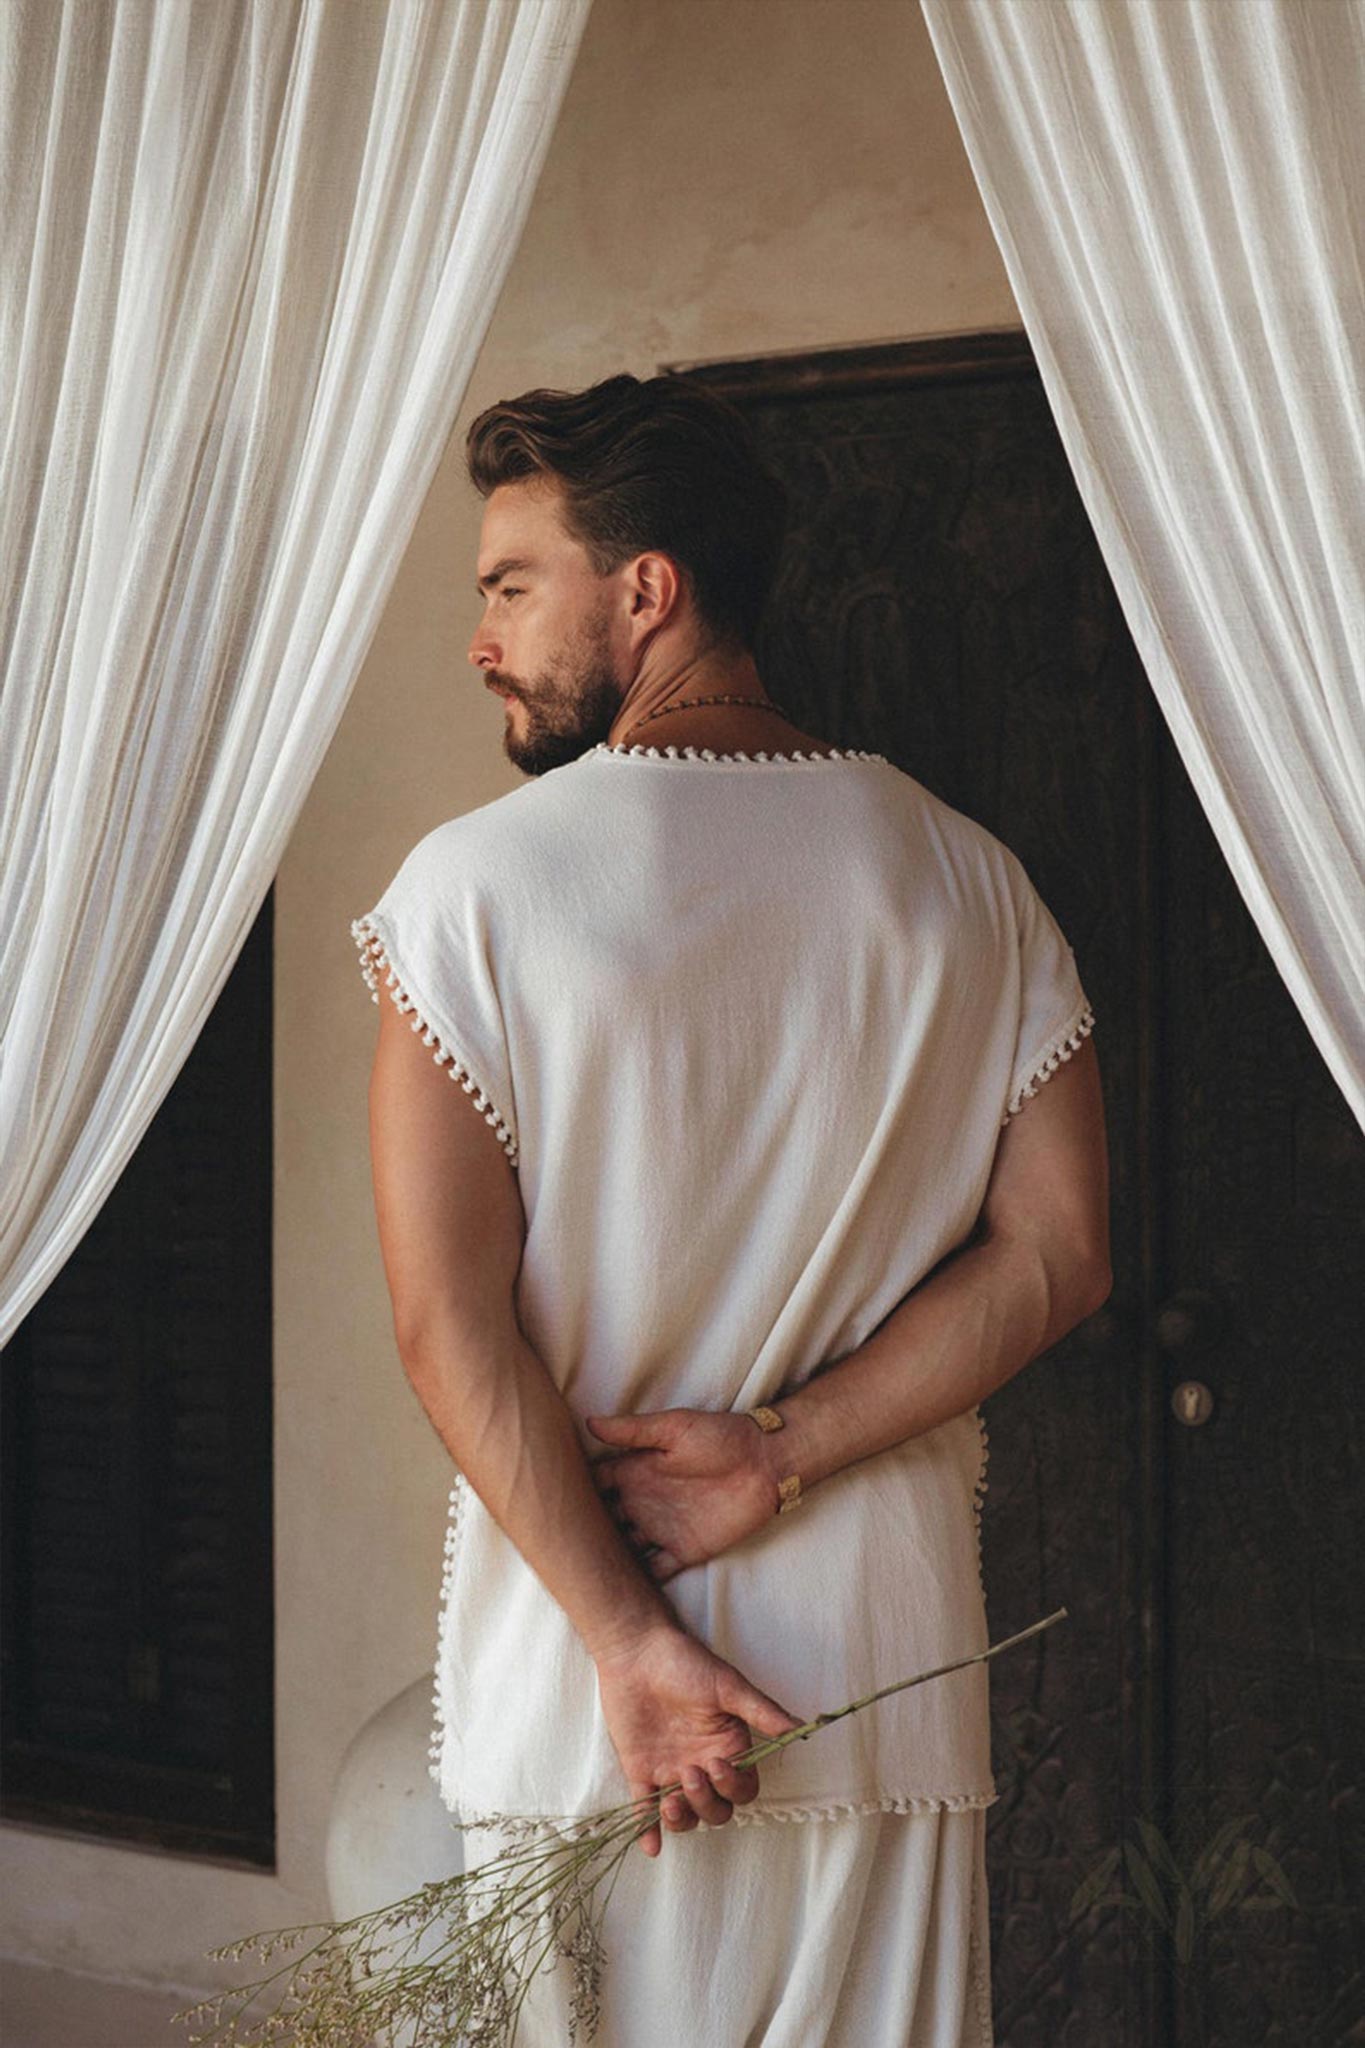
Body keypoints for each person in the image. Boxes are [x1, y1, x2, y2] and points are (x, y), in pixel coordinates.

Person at [351, 372, 1111, 2045]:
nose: (479, 640)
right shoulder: (971, 881)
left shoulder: (469, 890)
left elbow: (444, 1321)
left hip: (594, 1698)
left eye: (506, 586)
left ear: (646, 588)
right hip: (878, 1679)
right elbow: (1058, 1257)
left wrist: (631, 1647)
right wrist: (784, 1445)